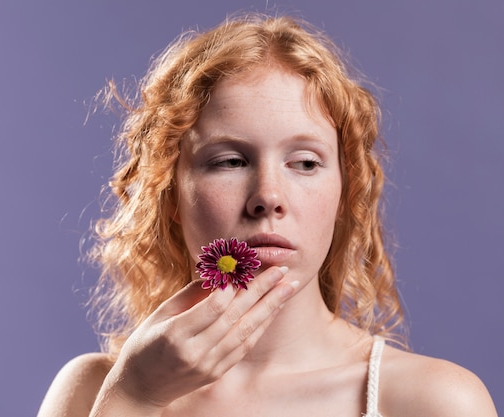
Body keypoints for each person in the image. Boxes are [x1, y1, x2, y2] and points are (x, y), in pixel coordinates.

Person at [37, 13, 497, 417]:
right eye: (229, 161)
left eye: (305, 163)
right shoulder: (93, 392)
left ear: (344, 192)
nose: (268, 197)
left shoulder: (435, 402)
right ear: (170, 194)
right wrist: (134, 398)